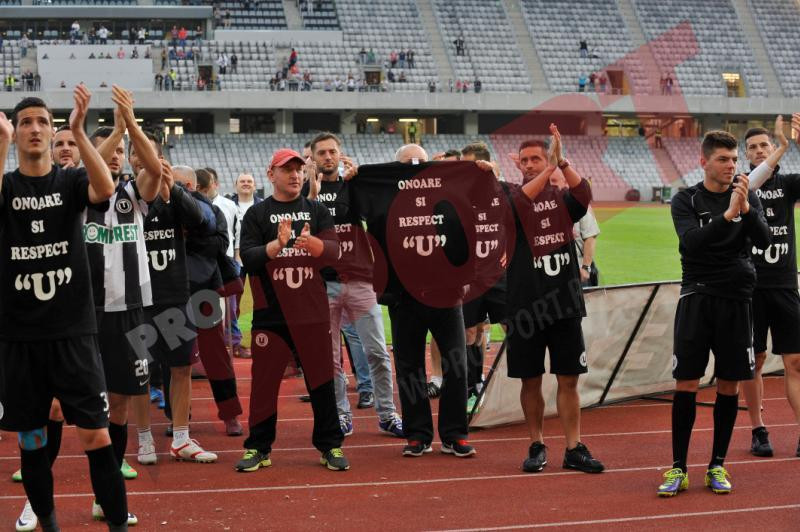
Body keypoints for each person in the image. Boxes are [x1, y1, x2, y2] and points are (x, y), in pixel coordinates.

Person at [0, 90, 129, 532]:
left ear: (52, 130)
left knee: (96, 436)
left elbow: (105, 189)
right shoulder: (7, 187)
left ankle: (117, 525)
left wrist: (78, 130)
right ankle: (49, 524)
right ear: (16, 132)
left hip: (73, 331)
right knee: (33, 439)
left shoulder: (69, 182)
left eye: (42, 121)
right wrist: (1, 143)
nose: (34, 129)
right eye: (25, 122)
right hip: (19, 336)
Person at [658, 130, 771, 497]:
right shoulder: (686, 199)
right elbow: (692, 243)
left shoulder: (747, 195)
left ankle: (717, 465)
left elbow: (765, 240)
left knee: (729, 384)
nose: (731, 166)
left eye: (735, 160)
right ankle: (678, 467)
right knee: (686, 384)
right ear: (703, 161)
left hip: (737, 301)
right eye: (724, 159)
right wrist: (728, 216)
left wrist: (746, 210)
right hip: (697, 297)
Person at [349, 144, 477, 458]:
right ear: (395, 167)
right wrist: (352, 180)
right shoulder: (380, 189)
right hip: (403, 295)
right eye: (407, 163)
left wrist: (482, 172)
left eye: (419, 162)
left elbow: (479, 210)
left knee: (456, 365)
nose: (414, 167)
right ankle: (418, 434)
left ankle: (455, 434)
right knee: (409, 368)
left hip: (446, 293)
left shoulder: (449, 186)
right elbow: (350, 213)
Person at [238, 148, 348, 472]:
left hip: (312, 314)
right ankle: (258, 447)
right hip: (271, 315)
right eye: (287, 170)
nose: (295, 175)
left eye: (299, 169)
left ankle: (330, 445)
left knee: (322, 384)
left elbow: (335, 254)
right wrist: (275, 246)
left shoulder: (316, 210)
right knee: (264, 385)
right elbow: (248, 257)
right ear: (271, 174)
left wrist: (316, 246)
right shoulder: (257, 214)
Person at [504, 125, 603, 475]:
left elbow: (583, 192)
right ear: (518, 165)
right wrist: (549, 167)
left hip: (564, 305)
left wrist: (562, 163)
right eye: (526, 160)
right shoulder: (510, 196)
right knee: (530, 380)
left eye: (538, 159)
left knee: (569, 379)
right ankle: (536, 444)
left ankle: (573, 447)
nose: (531, 165)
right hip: (525, 308)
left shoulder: (562, 200)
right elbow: (520, 204)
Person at [86, 87, 162, 506]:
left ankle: (107, 491)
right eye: (108, 151)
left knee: (119, 402)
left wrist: (130, 124)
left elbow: (154, 168)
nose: (115, 157)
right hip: (85, 311)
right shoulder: (78, 192)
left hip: (130, 309)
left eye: (119, 152)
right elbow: (92, 168)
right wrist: (114, 133)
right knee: (67, 403)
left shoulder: (133, 195)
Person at [304, 133, 404, 438]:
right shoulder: (305, 192)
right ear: (312, 158)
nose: (328, 157)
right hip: (324, 284)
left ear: (340, 154)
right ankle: (341, 414)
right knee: (330, 358)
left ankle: (387, 414)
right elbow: (300, 228)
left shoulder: (354, 185)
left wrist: (358, 179)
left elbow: (374, 212)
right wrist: (311, 192)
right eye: (322, 153)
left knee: (377, 352)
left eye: (332, 151)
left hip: (360, 280)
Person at [741, 115, 800, 458]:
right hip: (750, 287)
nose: (760, 150)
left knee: (795, 361)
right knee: (756, 359)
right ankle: (758, 429)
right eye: (753, 147)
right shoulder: (743, 184)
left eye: (765, 144)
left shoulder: (788, 184)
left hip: (784, 285)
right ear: (746, 154)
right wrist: (783, 147)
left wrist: (796, 144)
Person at [191, 168, 245, 436]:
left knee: (216, 355)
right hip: (172, 293)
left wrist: (187, 239)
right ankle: (177, 417)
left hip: (205, 293)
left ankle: (230, 413)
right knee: (173, 358)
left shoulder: (213, 211)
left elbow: (220, 244)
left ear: (191, 186)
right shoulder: (159, 211)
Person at [459, 142, 507, 409]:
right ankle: (472, 386)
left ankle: (516, 383)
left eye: (468, 165)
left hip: (499, 276)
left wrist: (493, 176)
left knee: (514, 327)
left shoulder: (502, 191)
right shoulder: (460, 194)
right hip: (470, 279)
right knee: (470, 331)